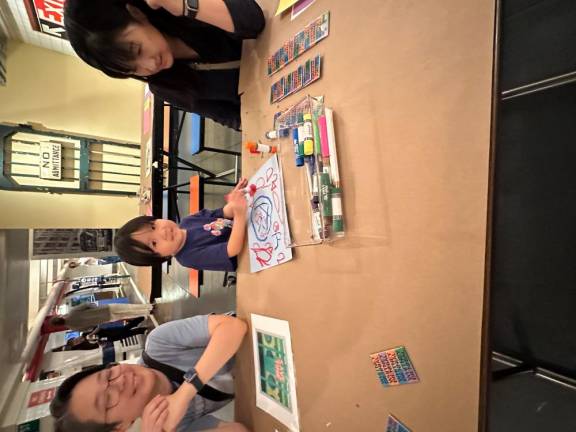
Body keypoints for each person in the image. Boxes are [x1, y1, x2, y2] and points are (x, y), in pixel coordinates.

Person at [63, 0, 265, 130]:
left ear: (136, 12)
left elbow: (253, 21)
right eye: (132, 69)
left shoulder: (184, 10)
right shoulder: (165, 87)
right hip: (278, 97)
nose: (148, 66)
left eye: (137, 49)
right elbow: (231, 118)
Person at [50, 313, 249, 432]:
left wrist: (185, 392)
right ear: (120, 427)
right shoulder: (168, 423)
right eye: (108, 399)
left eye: (109, 375)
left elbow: (233, 327)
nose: (120, 381)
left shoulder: (159, 345)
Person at [114, 178, 248, 270]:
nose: (163, 232)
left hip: (252, 231)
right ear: (161, 258)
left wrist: (235, 201)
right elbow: (233, 249)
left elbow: (224, 213)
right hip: (250, 257)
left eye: (153, 226)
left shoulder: (187, 221)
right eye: (154, 243)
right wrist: (240, 213)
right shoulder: (188, 257)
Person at [50, 302, 154, 332]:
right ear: (59, 316)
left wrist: (94, 322)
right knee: (128, 307)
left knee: (127, 315)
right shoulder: (72, 312)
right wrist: (95, 308)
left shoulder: (73, 328)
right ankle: (149, 307)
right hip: (105, 309)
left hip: (106, 319)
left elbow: (89, 328)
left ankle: (146, 313)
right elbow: (86, 304)